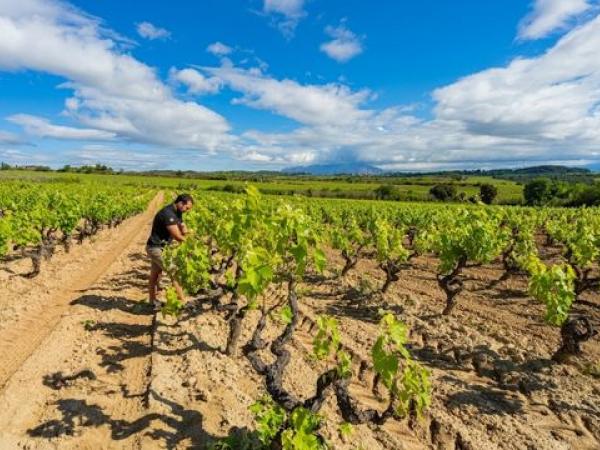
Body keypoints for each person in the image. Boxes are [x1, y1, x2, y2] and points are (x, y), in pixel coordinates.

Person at [146, 193, 193, 308]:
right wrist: (191, 244)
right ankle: (183, 303)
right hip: (155, 248)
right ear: (181, 203)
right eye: (187, 208)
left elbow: (182, 226)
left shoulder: (178, 212)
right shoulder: (168, 214)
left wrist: (188, 233)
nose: (187, 210)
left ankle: (152, 302)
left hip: (159, 247)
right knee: (174, 273)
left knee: (155, 275)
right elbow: (177, 236)